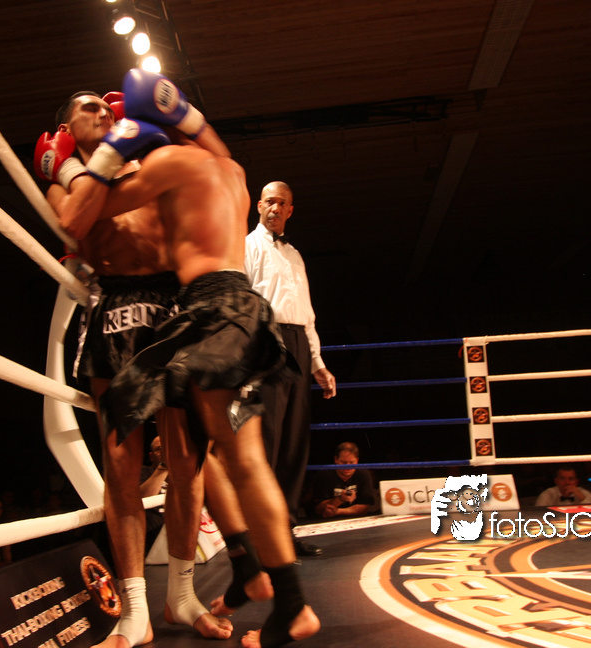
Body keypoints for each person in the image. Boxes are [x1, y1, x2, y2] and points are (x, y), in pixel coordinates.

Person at [58, 69, 320, 648]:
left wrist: (84, 164)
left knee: (225, 458)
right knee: (197, 454)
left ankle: (275, 594)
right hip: (202, 311)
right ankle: (249, 572)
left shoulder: (163, 166)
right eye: (90, 110)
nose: (107, 116)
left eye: (118, 115)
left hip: (200, 310)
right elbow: (208, 148)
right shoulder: (226, 168)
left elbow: (77, 218)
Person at [244, 181, 336, 557]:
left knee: (295, 442)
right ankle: (260, 536)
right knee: (267, 440)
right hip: (266, 341)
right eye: (270, 201)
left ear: (290, 210)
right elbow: (242, 303)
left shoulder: (295, 255)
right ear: (259, 206)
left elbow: (307, 315)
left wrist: (318, 363)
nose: (275, 208)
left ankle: (285, 531)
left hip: (298, 341)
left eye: (282, 203)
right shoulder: (248, 246)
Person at [310, 442, 376, 519]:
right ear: (336, 459)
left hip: (356, 519)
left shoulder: (363, 474)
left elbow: (364, 508)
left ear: (357, 461)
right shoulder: (324, 475)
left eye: (352, 462)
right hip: (326, 520)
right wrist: (340, 499)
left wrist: (338, 511)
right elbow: (318, 509)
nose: (347, 466)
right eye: (344, 462)